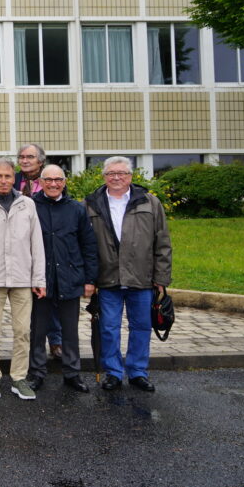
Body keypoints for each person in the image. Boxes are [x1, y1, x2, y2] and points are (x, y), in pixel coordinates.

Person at [85, 156, 172, 393]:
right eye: (111, 173)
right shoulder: (91, 203)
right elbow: (84, 244)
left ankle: (137, 372)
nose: (116, 177)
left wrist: (161, 279)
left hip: (141, 278)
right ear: (103, 177)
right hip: (108, 278)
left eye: (121, 173)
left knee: (141, 327)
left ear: (131, 177)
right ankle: (113, 372)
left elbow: (162, 242)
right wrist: (89, 278)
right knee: (109, 328)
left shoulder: (150, 202)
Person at [0, 157, 46, 401]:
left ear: (14, 178)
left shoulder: (27, 205)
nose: (4, 180)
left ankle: (19, 378)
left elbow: (37, 244)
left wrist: (39, 279)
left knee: (22, 330)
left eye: (8, 176)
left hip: (22, 279)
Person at [27, 165, 98, 394]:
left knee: (70, 331)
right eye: (49, 180)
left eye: (58, 180)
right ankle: (37, 373)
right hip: (40, 279)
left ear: (64, 182)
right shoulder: (30, 206)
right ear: (41, 181)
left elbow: (88, 245)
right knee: (38, 330)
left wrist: (90, 279)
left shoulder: (76, 209)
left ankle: (72, 373)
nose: (54, 184)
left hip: (70, 276)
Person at [14, 142, 62, 358]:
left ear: (40, 161)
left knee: (47, 295)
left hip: (46, 243)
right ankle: (30, 342)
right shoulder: (13, 180)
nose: (25, 160)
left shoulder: (50, 180)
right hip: (17, 247)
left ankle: (56, 340)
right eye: (22, 157)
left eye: (30, 157)